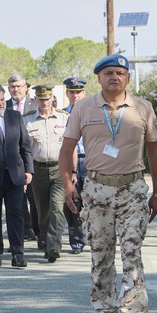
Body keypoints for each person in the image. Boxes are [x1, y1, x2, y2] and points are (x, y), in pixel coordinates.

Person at [59, 53, 157, 313]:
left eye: (119, 73)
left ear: (127, 77)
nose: (114, 77)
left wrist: (156, 192)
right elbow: (66, 149)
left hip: (132, 189)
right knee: (101, 256)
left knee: (132, 253)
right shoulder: (83, 108)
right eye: (108, 73)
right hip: (96, 191)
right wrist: (68, 184)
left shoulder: (143, 107)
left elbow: (155, 152)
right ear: (99, 78)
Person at [0, 83, 33, 268]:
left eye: (1, 100)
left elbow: (25, 146)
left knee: (16, 215)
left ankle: (18, 254)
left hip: (15, 176)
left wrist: (29, 170)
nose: (0, 104)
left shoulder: (14, 116)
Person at [23, 84, 69, 263]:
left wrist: (71, 171)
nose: (44, 102)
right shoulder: (27, 120)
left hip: (59, 169)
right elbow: (23, 148)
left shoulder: (64, 118)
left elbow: (70, 145)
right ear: (36, 100)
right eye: (40, 99)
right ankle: (44, 238)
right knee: (42, 212)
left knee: (57, 208)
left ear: (52, 99)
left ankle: (53, 247)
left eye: (47, 98)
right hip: (37, 170)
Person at [7, 73, 40, 243]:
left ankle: (37, 231)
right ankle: (24, 231)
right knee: (17, 202)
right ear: (8, 88)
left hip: (33, 159)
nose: (16, 89)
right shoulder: (3, 107)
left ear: (25, 87)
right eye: (12, 86)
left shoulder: (35, 105)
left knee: (35, 201)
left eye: (19, 86)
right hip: (12, 162)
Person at [63, 77, 88, 254]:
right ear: (67, 93)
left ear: (84, 93)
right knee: (73, 203)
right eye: (72, 92)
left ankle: (95, 237)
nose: (75, 95)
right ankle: (77, 241)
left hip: (90, 161)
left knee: (94, 201)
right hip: (70, 162)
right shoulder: (62, 115)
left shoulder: (93, 113)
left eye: (78, 92)